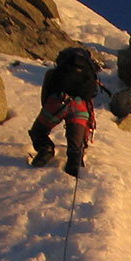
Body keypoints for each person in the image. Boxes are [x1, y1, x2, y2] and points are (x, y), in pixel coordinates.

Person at [28, 47, 99, 177]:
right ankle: (74, 166)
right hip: (80, 108)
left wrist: (48, 110)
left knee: (38, 132)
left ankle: (46, 149)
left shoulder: (53, 73)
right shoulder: (88, 76)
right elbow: (90, 100)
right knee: (75, 150)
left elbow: (45, 96)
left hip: (58, 102)